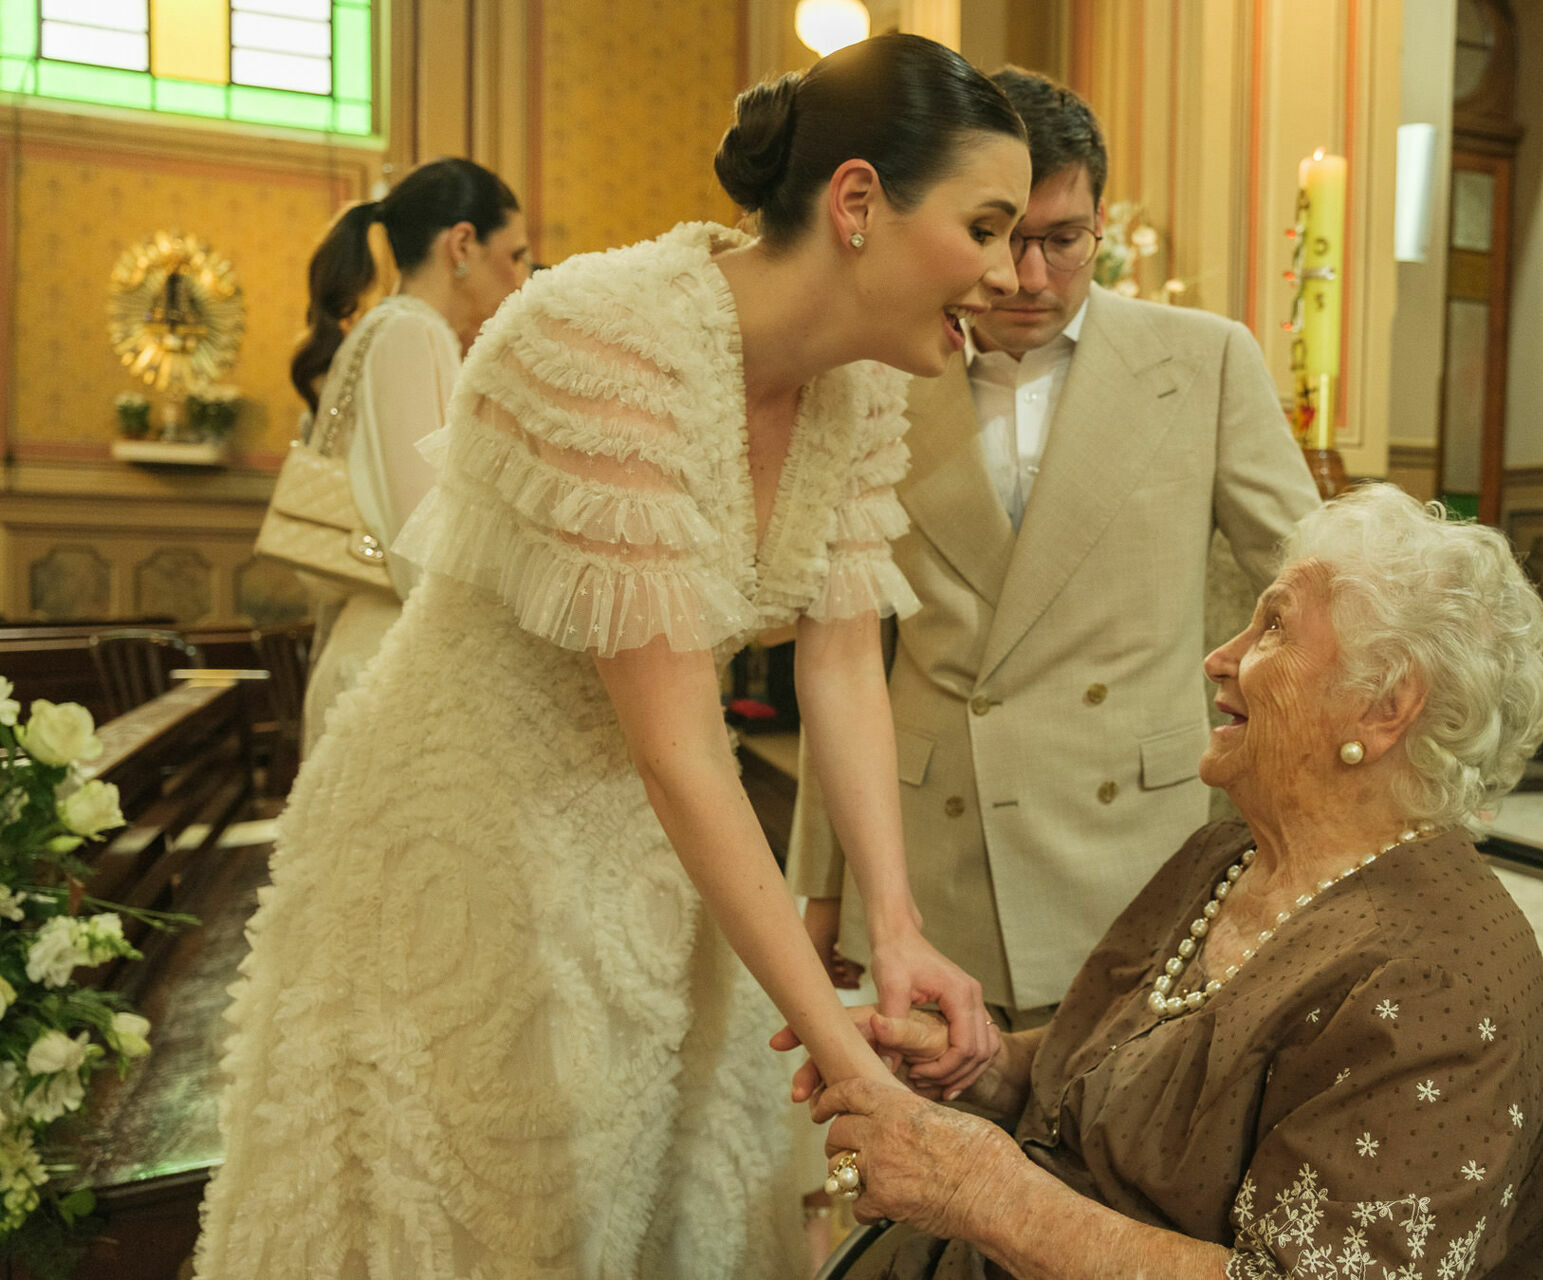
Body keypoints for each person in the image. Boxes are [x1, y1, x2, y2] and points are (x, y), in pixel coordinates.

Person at [194, 35, 1029, 1280]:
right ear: (858, 203)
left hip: (653, 838)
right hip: (466, 833)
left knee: (661, 1189)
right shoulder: (603, 337)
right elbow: (680, 739)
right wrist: (856, 1071)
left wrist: (896, 928)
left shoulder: (860, 385)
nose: (1013, 274)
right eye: (990, 226)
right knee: (505, 1202)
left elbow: (843, 663)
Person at [791, 485, 1543, 1279]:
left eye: (1273, 626)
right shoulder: (1230, 856)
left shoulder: (1433, 991)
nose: (1219, 657)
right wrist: (982, 1067)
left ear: (1384, 708)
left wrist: (985, 1191)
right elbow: (1139, 1089)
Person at [787, 67, 1322, 1030]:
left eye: (1061, 241)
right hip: (932, 848)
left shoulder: (1205, 361)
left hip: (1130, 843)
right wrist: (826, 881)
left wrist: (1313, 807)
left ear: (1101, 229)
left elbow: (1307, 586)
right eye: (999, 238)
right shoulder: (876, 370)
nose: (1029, 278)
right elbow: (842, 646)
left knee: (1112, 1144)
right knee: (936, 1147)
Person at [290, 157, 532, 753]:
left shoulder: (398, 328)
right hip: (390, 667)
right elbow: (420, 540)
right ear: (463, 243)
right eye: (518, 255)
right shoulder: (410, 331)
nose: (524, 278)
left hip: (390, 652)